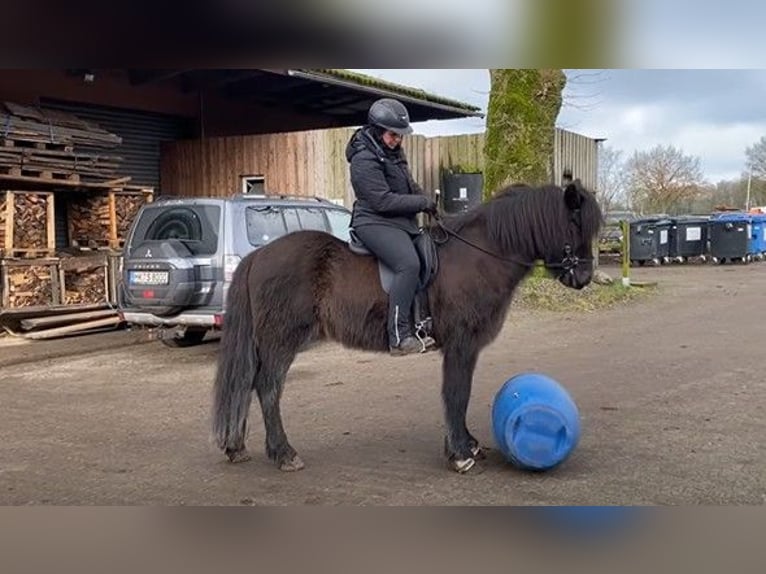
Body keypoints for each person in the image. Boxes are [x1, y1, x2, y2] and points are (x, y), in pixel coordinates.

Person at [346, 98, 438, 356]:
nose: (397, 139)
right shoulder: (364, 159)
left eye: (400, 135)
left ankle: (424, 322)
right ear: (377, 130)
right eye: (392, 135)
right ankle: (398, 337)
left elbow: (410, 185)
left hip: (398, 222)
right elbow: (382, 201)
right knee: (408, 264)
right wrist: (420, 202)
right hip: (373, 220)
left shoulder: (394, 153)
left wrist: (427, 203)